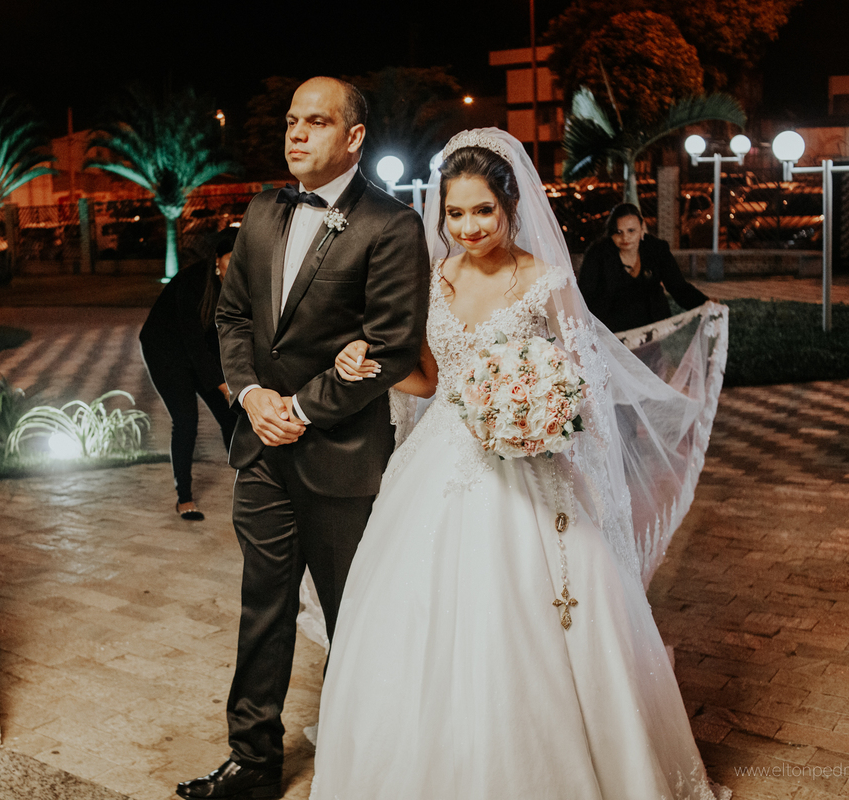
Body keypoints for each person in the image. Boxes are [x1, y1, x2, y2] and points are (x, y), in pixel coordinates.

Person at [310, 129, 729, 799]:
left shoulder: (544, 279)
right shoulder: (434, 278)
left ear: (511, 204)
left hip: (530, 464)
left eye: (483, 210)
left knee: (547, 617)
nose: (468, 227)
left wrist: (543, 413)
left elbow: (584, 378)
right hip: (439, 460)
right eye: (455, 212)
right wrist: (366, 364)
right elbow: (425, 378)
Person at [175, 77, 429, 799]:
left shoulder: (392, 225)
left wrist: (302, 409)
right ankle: (252, 762)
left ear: (354, 137)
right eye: (292, 120)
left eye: (315, 122)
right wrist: (252, 396)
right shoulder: (262, 210)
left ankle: (370, 763)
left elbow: (393, 348)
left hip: (342, 458)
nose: (296, 133)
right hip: (261, 450)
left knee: (355, 618)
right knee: (262, 609)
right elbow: (231, 318)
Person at [139, 227, 241, 521]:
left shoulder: (239, 282)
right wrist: (223, 386)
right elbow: (192, 341)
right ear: (217, 259)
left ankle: (247, 481)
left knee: (231, 416)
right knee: (186, 420)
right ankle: (184, 497)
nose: (237, 265)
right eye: (231, 259)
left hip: (200, 351)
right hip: (166, 351)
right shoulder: (192, 281)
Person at [578, 202, 710, 333]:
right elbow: (584, 297)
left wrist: (707, 305)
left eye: (631, 230)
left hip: (654, 329)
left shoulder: (656, 249)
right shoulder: (597, 254)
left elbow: (678, 287)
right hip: (613, 333)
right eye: (618, 232)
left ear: (642, 230)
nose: (625, 237)